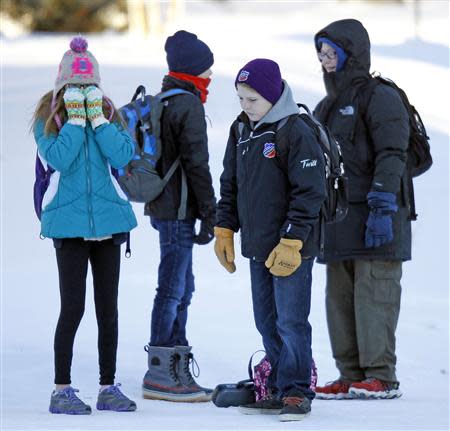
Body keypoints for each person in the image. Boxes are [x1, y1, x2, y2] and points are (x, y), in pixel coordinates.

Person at [214, 59, 326, 422]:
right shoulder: (241, 130)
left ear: (274, 96)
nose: (245, 106)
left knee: (291, 320)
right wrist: (224, 228)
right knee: (266, 320)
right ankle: (277, 384)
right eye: (241, 98)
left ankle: (296, 390)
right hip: (258, 247)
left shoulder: (295, 131)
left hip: (292, 246)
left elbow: (310, 192)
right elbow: (229, 184)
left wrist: (292, 241)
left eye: (252, 99)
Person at [31, 37, 138, 414]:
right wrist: (75, 120)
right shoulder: (50, 119)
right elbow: (58, 158)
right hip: (68, 227)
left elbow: (124, 154)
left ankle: (108, 386)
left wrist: (97, 119)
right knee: (72, 308)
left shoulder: (109, 114)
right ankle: (61, 390)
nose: (83, 91)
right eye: (75, 86)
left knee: (108, 309)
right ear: (62, 84)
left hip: (109, 225)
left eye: (89, 85)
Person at [312, 19, 410, 400]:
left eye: (331, 53)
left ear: (351, 54)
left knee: (375, 296)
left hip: (376, 216)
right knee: (339, 299)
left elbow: (393, 152)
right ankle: (349, 373)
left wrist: (383, 205)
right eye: (321, 53)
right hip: (339, 219)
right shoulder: (326, 105)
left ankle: (381, 376)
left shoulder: (380, 96)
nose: (325, 60)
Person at [142, 30, 216, 402]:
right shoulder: (188, 105)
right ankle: (161, 370)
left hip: (164, 208)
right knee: (173, 289)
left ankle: (176, 361)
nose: (211, 77)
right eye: (207, 70)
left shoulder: (165, 98)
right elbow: (196, 164)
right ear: (193, 71)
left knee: (181, 288)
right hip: (178, 212)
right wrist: (211, 212)